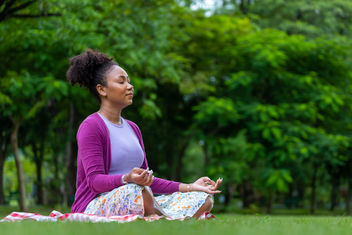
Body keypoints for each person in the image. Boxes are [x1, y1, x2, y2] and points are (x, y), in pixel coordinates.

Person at [67, 49, 223, 219]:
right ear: (102, 89)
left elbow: (148, 181)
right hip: (97, 203)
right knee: (138, 191)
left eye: (129, 81)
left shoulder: (133, 128)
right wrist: (127, 178)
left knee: (203, 198)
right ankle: (161, 216)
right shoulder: (91, 126)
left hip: (140, 196)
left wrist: (191, 186)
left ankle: (157, 216)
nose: (129, 86)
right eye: (121, 82)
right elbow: (95, 181)